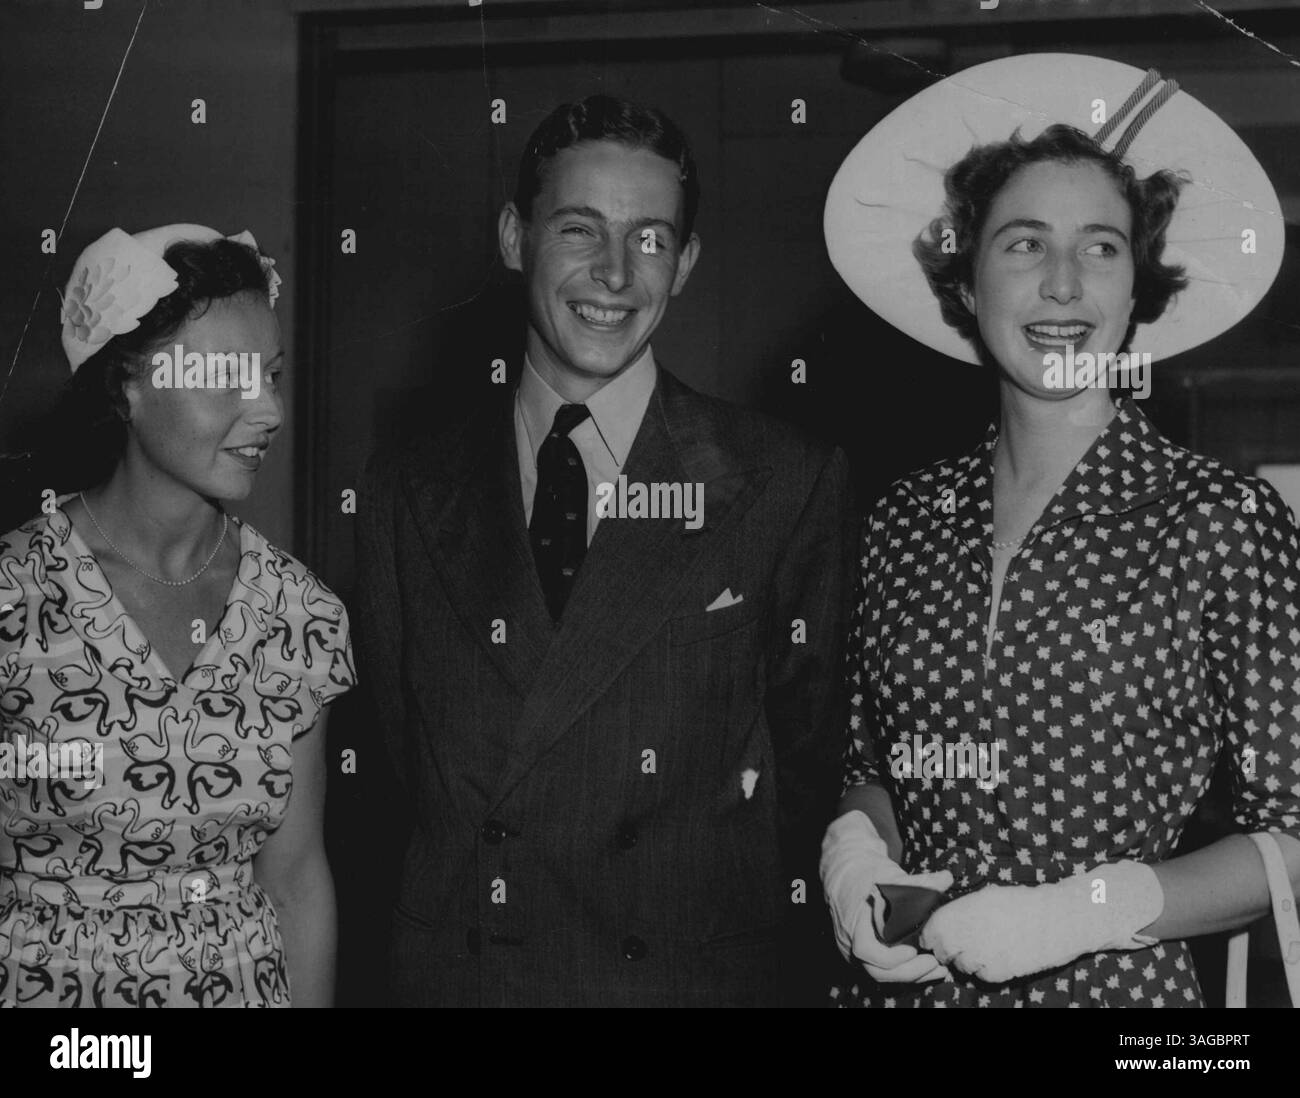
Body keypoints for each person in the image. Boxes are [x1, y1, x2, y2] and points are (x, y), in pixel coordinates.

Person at [818, 53, 1300, 1007]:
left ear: (1139, 290)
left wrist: (1086, 907)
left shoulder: (1220, 520)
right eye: (1025, 244)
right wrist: (855, 856)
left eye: (1103, 247)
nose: (1066, 284)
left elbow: (1293, 836)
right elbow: (871, 767)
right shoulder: (903, 520)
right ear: (965, 283)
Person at [355, 94, 855, 1007]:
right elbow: (399, 777)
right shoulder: (404, 488)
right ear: (514, 237)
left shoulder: (782, 480)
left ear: (689, 261)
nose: (617, 273)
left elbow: (810, 773)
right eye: (580, 229)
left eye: (652, 239)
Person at [0, 224, 355, 1006]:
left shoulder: (298, 613)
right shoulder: (14, 598)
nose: (267, 411)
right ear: (127, 384)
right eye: (227, 377)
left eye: (271, 375)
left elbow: (296, 882)